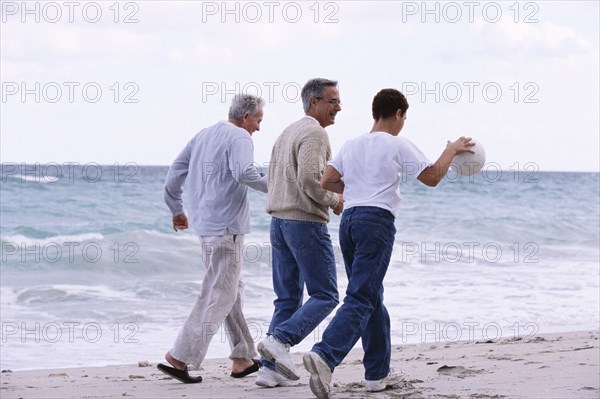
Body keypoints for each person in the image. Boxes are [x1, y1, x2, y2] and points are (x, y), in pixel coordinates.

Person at [302, 88, 475, 399]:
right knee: (361, 297)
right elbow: (432, 177)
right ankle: (325, 355)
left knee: (372, 296)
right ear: (397, 114)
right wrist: (451, 149)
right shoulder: (396, 143)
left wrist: (355, 186)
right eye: (404, 117)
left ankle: (377, 374)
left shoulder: (352, 144)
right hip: (376, 222)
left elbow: (326, 181)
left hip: (350, 220)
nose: (403, 123)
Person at [157, 94, 268, 383]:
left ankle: (243, 357)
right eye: (258, 120)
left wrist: (177, 210)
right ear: (245, 116)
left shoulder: (204, 135)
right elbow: (245, 173)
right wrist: (280, 187)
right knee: (221, 293)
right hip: (227, 227)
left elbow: (173, 175)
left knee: (231, 288)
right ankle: (179, 357)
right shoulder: (241, 137)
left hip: (205, 226)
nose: (258, 127)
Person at [254, 78, 344, 388]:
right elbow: (310, 179)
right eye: (332, 101)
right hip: (304, 222)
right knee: (326, 294)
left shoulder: (287, 131)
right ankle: (279, 340)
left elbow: (276, 177)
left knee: (287, 298)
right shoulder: (314, 133)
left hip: (278, 222)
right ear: (314, 103)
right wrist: (335, 201)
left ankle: (269, 370)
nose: (339, 107)